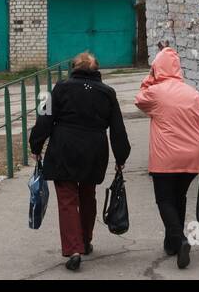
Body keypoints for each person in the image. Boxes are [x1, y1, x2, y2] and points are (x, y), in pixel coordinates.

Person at [29, 51, 131, 272]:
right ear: (97, 70)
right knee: (87, 196)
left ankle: (74, 249)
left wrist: (35, 146)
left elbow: (44, 119)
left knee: (67, 200)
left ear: (73, 68)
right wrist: (121, 157)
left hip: (64, 148)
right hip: (94, 150)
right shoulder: (108, 93)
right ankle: (84, 241)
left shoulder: (58, 89)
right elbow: (118, 127)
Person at [135, 46, 199, 269]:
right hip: (193, 157)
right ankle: (172, 243)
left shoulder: (156, 92)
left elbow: (139, 98)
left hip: (166, 157)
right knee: (178, 197)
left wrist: (150, 77)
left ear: (157, 69)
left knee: (163, 200)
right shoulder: (194, 94)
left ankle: (181, 239)